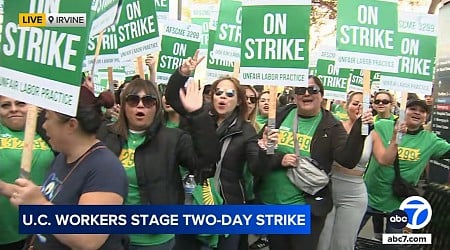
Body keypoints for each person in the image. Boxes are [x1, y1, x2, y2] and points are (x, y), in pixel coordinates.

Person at [97, 78, 219, 250]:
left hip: (153, 239)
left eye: (148, 101)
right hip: (109, 236)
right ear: (124, 105)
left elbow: (206, 160)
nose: (140, 106)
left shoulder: (173, 138)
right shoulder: (105, 134)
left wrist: (198, 114)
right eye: (133, 100)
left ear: (156, 107)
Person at [166, 50, 271, 250]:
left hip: (227, 207)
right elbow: (173, 96)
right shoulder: (200, 116)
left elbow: (258, 169)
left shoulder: (246, 130)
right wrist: (183, 72)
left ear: (239, 100)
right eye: (218, 92)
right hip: (192, 200)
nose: (223, 97)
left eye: (230, 94)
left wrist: (265, 150)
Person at [254, 76, 372, 250]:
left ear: (321, 95)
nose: (306, 93)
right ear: (295, 96)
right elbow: (260, 153)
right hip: (272, 204)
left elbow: (347, 159)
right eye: (301, 90)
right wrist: (277, 157)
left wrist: (360, 131)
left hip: (304, 209)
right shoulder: (281, 114)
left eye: (313, 90)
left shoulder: (331, 126)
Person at [8, 86, 128, 249]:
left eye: (48, 118)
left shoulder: (105, 168)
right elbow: (58, 198)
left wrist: (39, 205)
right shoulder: (62, 157)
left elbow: (87, 239)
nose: (44, 126)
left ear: (72, 125)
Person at [361, 99, 450, 235]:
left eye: (422, 111)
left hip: (399, 202)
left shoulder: (430, 140)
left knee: (394, 244)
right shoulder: (382, 126)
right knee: (348, 238)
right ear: (403, 111)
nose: (417, 113)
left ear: (426, 117)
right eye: (413, 109)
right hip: (369, 196)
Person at [318, 92, 373, 250]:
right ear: (346, 105)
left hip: (353, 196)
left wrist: (397, 138)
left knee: (343, 245)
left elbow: (385, 160)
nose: (359, 107)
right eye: (355, 103)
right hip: (327, 189)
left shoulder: (374, 132)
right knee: (322, 243)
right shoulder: (334, 127)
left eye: (364, 104)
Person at [0, 97, 55, 250]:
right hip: (5, 232)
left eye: (20, 103)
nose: (13, 109)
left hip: (40, 228)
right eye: (5, 105)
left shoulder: (48, 132)